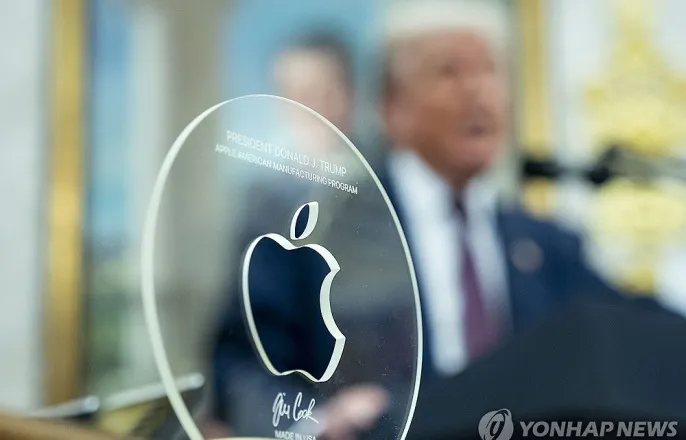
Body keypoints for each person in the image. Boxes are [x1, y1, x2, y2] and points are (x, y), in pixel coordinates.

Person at [210, 2, 630, 439]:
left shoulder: (549, 248)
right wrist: (314, 422)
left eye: (491, 72)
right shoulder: (315, 230)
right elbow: (238, 370)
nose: (479, 91)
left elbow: (620, 333)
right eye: (449, 72)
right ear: (393, 106)